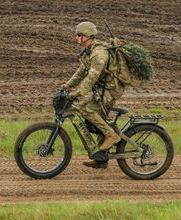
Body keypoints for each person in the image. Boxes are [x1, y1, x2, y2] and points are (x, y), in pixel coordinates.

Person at [61, 21, 126, 169]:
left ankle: (111, 135)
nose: (76, 38)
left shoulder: (99, 54)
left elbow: (92, 77)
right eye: (76, 35)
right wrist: (67, 85)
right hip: (103, 89)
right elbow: (81, 73)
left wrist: (78, 92)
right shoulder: (88, 51)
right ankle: (101, 159)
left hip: (111, 89)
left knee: (87, 110)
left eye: (79, 35)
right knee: (93, 117)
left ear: (88, 36)